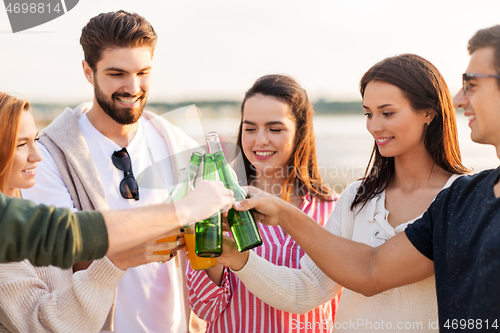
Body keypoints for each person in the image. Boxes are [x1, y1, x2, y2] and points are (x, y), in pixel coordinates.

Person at [224, 26, 500, 333]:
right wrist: (237, 258)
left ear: (429, 113)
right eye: (368, 113)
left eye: (387, 112)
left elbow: (372, 272)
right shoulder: (357, 197)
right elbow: (306, 290)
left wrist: (286, 215)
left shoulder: (462, 201)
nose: (374, 126)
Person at [21, 10, 205, 333]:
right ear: (88, 72)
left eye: (143, 72)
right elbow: (65, 250)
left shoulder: (178, 146)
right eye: (117, 73)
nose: (133, 87)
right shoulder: (48, 157)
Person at [0, 92, 232, 333]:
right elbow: (43, 325)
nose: (37, 156)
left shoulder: (31, 214)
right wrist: (118, 258)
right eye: (20, 144)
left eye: (35, 140)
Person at [186, 74, 340, 332]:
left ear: (300, 132)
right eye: (250, 128)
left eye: (275, 128)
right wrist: (208, 244)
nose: (260, 140)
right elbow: (204, 308)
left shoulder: (333, 209)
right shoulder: (219, 205)